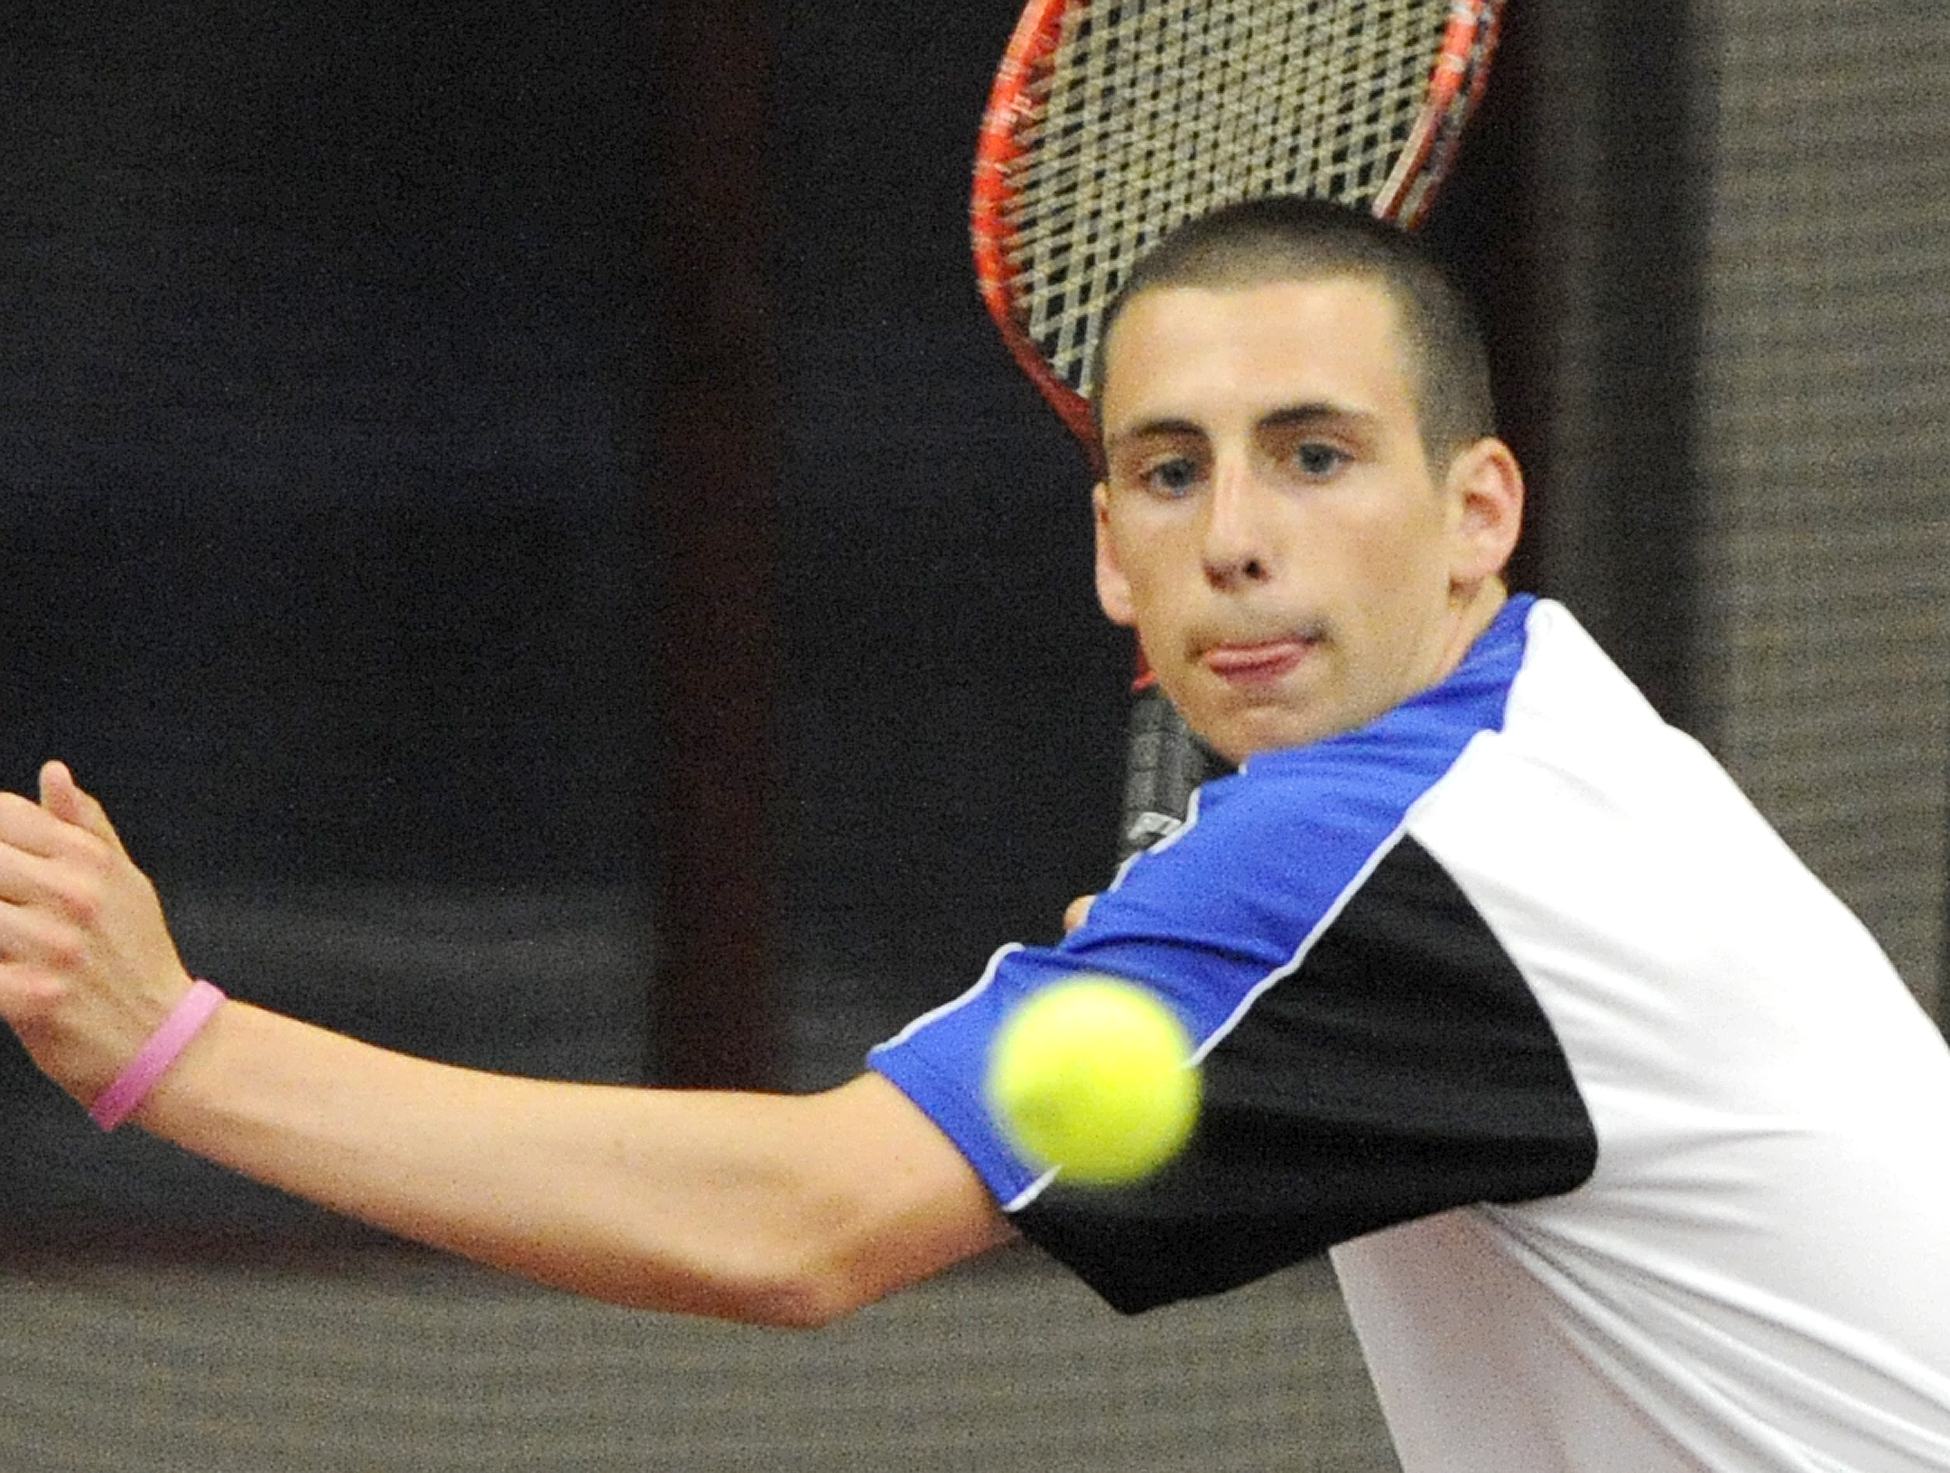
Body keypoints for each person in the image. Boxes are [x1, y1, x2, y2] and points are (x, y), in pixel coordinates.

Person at [2, 195, 1947, 1471]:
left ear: (1479, 510)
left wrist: (174, 1044)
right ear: (1109, 549)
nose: (1238, 534)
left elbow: (796, 1225)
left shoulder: (1399, 845)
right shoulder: (1537, 742)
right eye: (1170, 470)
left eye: (1317, 453)